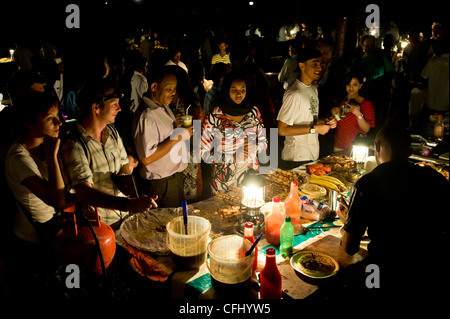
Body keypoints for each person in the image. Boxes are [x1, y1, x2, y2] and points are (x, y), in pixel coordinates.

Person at [337, 123, 449, 304]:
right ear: (409, 151)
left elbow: (349, 248)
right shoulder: (434, 178)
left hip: (382, 271)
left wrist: (347, 222)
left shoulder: (367, 183)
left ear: (378, 147)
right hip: (430, 271)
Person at [59, 77, 157, 230]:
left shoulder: (111, 132)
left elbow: (124, 165)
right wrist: (129, 204)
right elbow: (84, 193)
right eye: (114, 105)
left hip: (124, 218)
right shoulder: (74, 145)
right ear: (96, 107)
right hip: (101, 226)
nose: (119, 109)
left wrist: (127, 172)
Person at [5, 89, 65, 297]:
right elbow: (57, 199)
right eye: (50, 119)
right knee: (38, 293)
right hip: (32, 243)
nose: (58, 123)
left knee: (67, 283)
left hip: (53, 232)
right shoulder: (19, 158)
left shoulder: (44, 146)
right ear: (28, 123)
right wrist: (52, 157)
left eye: (58, 117)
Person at [132, 66, 193, 208]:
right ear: (154, 87)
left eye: (175, 88)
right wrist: (178, 136)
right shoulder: (146, 116)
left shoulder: (162, 106)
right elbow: (146, 158)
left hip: (173, 178)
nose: (173, 93)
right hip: (161, 184)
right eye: (169, 89)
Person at [201, 70, 267, 194]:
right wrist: (232, 157)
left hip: (251, 178)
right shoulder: (214, 116)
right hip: (224, 182)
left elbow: (264, 141)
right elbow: (203, 153)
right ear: (226, 90)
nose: (239, 94)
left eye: (243, 90)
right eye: (234, 90)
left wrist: (256, 147)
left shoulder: (254, 112)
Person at [277, 46, 337, 170]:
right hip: (295, 158)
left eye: (320, 64)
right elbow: (282, 130)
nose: (319, 68)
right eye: (314, 64)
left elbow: (308, 119)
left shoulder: (313, 89)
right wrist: (315, 129)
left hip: (312, 154)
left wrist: (325, 122)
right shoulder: (294, 93)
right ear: (301, 65)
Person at [330, 74, 375, 152]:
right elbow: (334, 123)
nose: (351, 88)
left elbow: (366, 129)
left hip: (357, 146)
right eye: (348, 84)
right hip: (339, 145)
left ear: (360, 85)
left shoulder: (366, 104)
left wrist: (358, 114)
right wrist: (335, 115)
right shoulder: (339, 101)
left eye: (354, 85)